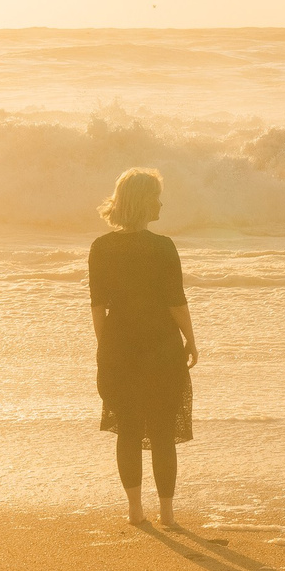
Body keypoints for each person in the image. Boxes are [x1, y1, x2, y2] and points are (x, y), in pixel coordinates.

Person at [88, 167, 198, 527]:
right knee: (163, 429)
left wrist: (106, 348)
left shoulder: (101, 248)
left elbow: (97, 305)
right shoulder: (162, 247)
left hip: (120, 345)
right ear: (142, 202)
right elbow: (175, 301)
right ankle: (167, 513)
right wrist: (192, 339)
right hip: (162, 346)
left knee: (130, 429)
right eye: (155, 195)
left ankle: (135, 510)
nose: (161, 202)